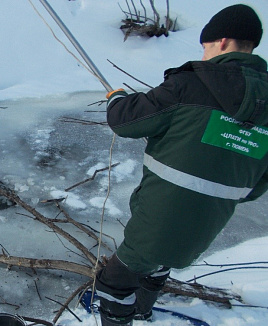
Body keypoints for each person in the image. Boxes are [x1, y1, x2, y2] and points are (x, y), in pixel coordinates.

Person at [94, 4, 268, 325]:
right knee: (159, 261)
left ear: (224, 41)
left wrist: (117, 97)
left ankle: (126, 312)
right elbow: (255, 187)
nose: (204, 56)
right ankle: (144, 310)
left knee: (113, 281)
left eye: (206, 47)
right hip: (208, 223)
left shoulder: (192, 84)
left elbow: (126, 122)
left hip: (160, 214)